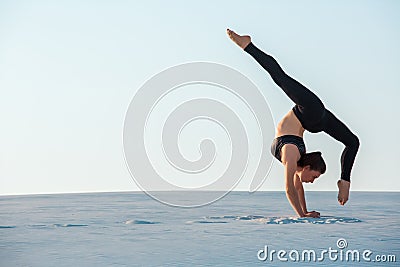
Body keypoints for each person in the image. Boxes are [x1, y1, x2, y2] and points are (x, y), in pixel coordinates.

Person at [227, 29, 360, 218]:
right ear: (306, 167)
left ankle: (344, 181)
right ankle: (247, 45)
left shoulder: (293, 158)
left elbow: (295, 187)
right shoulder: (291, 153)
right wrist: (302, 215)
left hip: (311, 118)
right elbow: (290, 188)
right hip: (310, 110)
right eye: (314, 177)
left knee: (353, 142)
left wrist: (304, 213)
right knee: (280, 78)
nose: (312, 181)